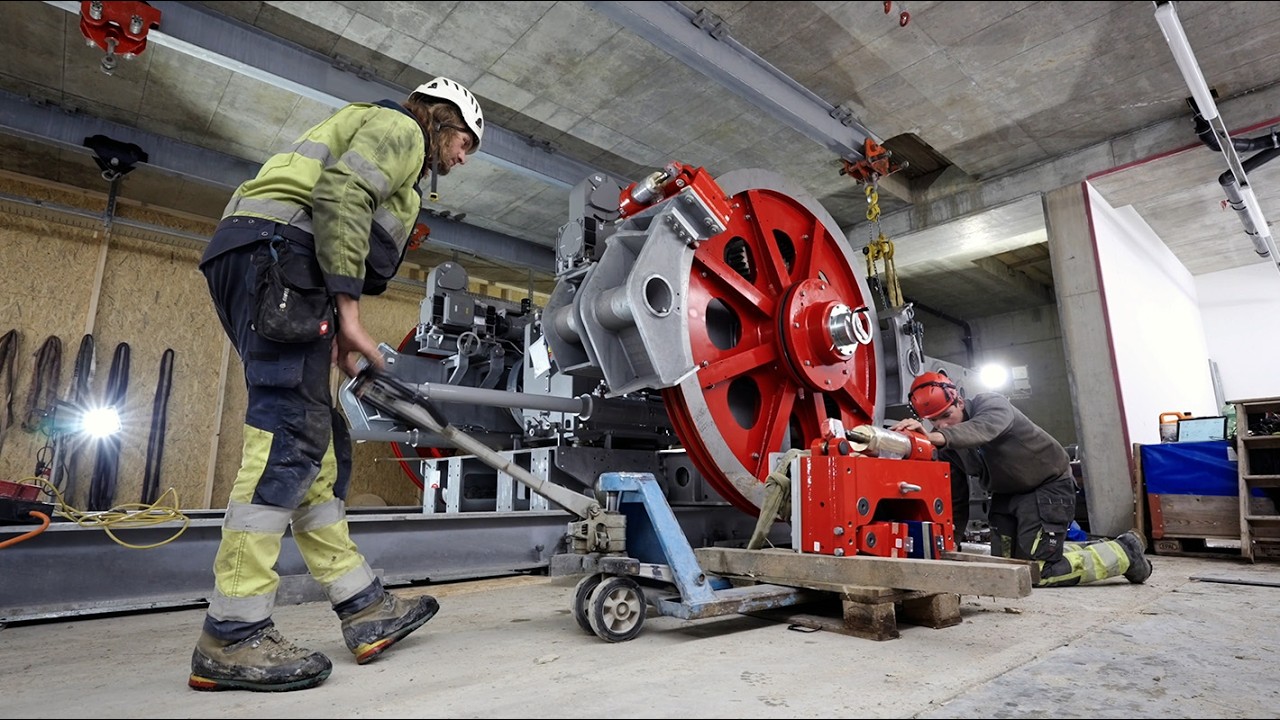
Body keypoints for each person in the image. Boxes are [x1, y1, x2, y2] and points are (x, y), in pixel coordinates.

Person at [191, 77, 485, 692]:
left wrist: (335, 340)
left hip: (269, 262)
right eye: (464, 140)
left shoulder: (370, 130)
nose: (461, 157)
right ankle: (233, 634)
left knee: (317, 446)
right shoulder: (401, 128)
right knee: (287, 437)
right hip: (280, 258)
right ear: (438, 118)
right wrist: (349, 316)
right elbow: (345, 196)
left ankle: (364, 607)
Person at [890, 371, 1152, 588]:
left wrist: (930, 438)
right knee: (1007, 567)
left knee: (1038, 570)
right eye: (934, 422)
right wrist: (950, 543)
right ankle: (1097, 548)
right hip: (1006, 496)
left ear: (959, 400)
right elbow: (955, 497)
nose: (943, 426)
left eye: (946, 416)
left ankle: (1124, 553)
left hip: (1046, 486)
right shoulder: (949, 445)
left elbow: (984, 429)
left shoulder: (990, 404)